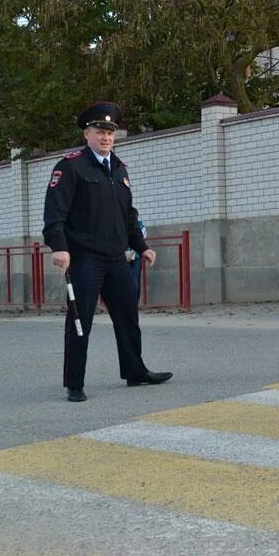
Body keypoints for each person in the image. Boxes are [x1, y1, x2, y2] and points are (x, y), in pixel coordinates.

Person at [43, 102, 172, 403]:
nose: (106, 137)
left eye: (110, 133)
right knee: (80, 320)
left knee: (128, 316)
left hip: (116, 258)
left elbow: (127, 215)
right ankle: (75, 383)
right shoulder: (70, 166)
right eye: (99, 132)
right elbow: (54, 213)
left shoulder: (120, 168)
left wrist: (142, 247)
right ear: (86, 133)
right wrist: (59, 247)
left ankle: (135, 371)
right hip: (85, 258)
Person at [125, 211, 148, 305]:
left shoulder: (128, 225)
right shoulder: (140, 226)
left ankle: (132, 301)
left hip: (131, 254)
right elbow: (141, 239)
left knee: (132, 279)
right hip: (133, 254)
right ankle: (134, 301)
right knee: (135, 278)